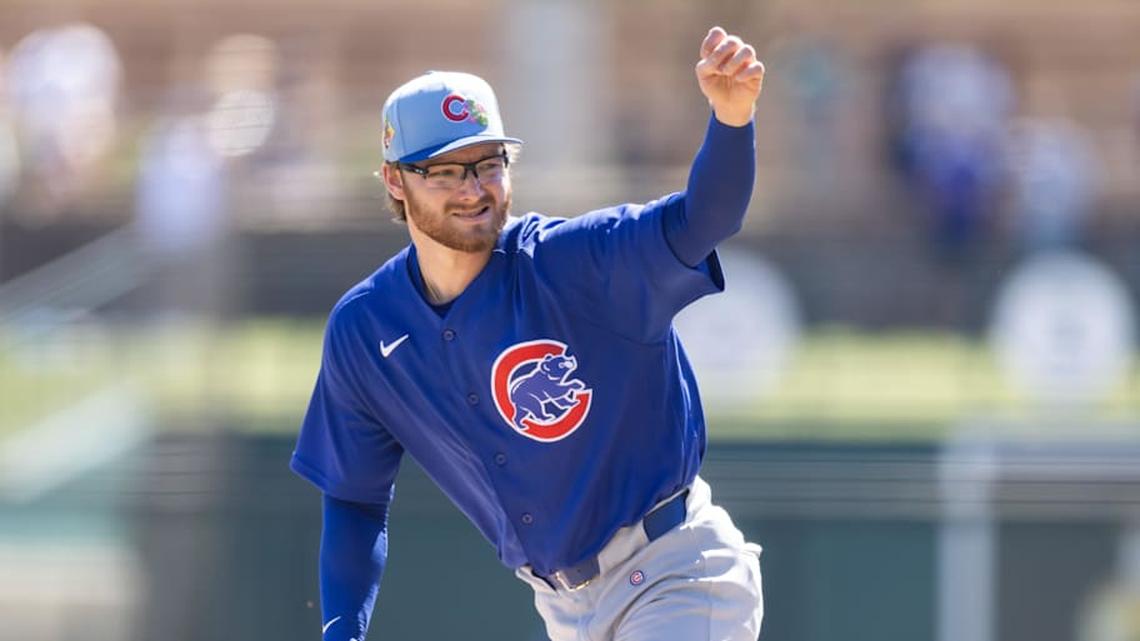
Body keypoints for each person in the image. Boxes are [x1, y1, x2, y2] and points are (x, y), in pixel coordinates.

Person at [291, 26, 766, 641]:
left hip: (675, 569)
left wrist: (732, 119)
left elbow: (705, 219)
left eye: (488, 163)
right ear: (393, 181)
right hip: (562, 609)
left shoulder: (574, 263)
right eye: (445, 170)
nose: (473, 188)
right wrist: (342, 628)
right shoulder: (366, 329)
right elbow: (355, 496)